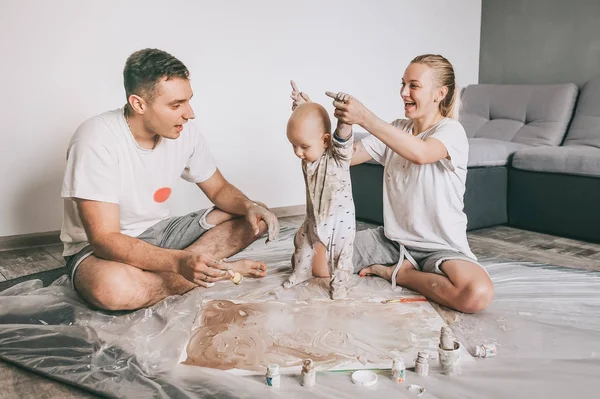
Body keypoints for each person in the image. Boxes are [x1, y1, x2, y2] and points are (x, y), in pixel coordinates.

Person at [61, 48, 279, 311]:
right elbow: (105, 238)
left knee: (256, 215)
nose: (189, 113)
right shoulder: (95, 139)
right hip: (100, 250)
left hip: (161, 233)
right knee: (113, 289)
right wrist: (179, 262)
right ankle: (216, 272)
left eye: (188, 101)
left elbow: (219, 188)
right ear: (139, 104)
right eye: (176, 105)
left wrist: (249, 207)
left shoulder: (183, 130)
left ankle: (174, 278)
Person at [290, 54, 494, 313]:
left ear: (439, 93)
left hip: (440, 246)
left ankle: (401, 275)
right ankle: (402, 266)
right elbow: (342, 158)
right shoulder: (398, 129)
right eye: (403, 84)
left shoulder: (451, 131)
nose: (403, 92)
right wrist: (311, 122)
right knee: (316, 264)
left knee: (476, 294)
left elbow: (421, 153)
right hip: (392, 242)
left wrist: (365, 118)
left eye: (414, 85)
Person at [282, 94, 354, 299]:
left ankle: (339, 285)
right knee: (301, 243)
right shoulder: (309, 154)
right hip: (312, 217)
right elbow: (307, 124)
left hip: (339, 222)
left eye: (303, 146)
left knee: (341, 257)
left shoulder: (338, 156)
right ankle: (301, 272)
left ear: (325, 140)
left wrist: (344, 119)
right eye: (293, 145)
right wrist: (301, 107)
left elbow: (342, 136)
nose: (298, 152)